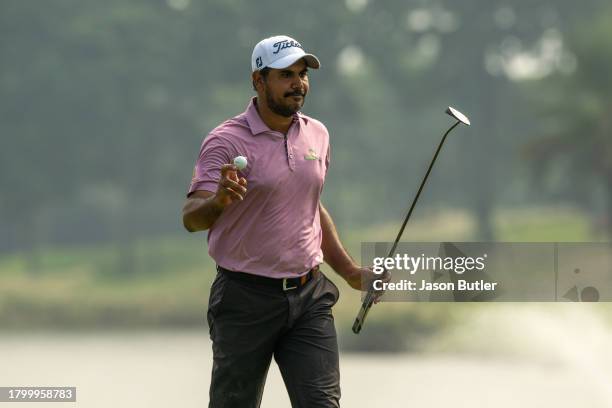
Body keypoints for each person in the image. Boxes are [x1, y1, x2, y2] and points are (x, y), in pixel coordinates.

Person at [182, 34, 383, 408]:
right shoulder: (225, 141)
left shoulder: (318, 134)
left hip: (309, 297)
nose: (298, 83)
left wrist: (351, 272)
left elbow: (310, 209)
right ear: (258, 81)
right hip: (244, 299)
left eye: (302, 74)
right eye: (286, 75)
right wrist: (220, 201)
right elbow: (191, 219)